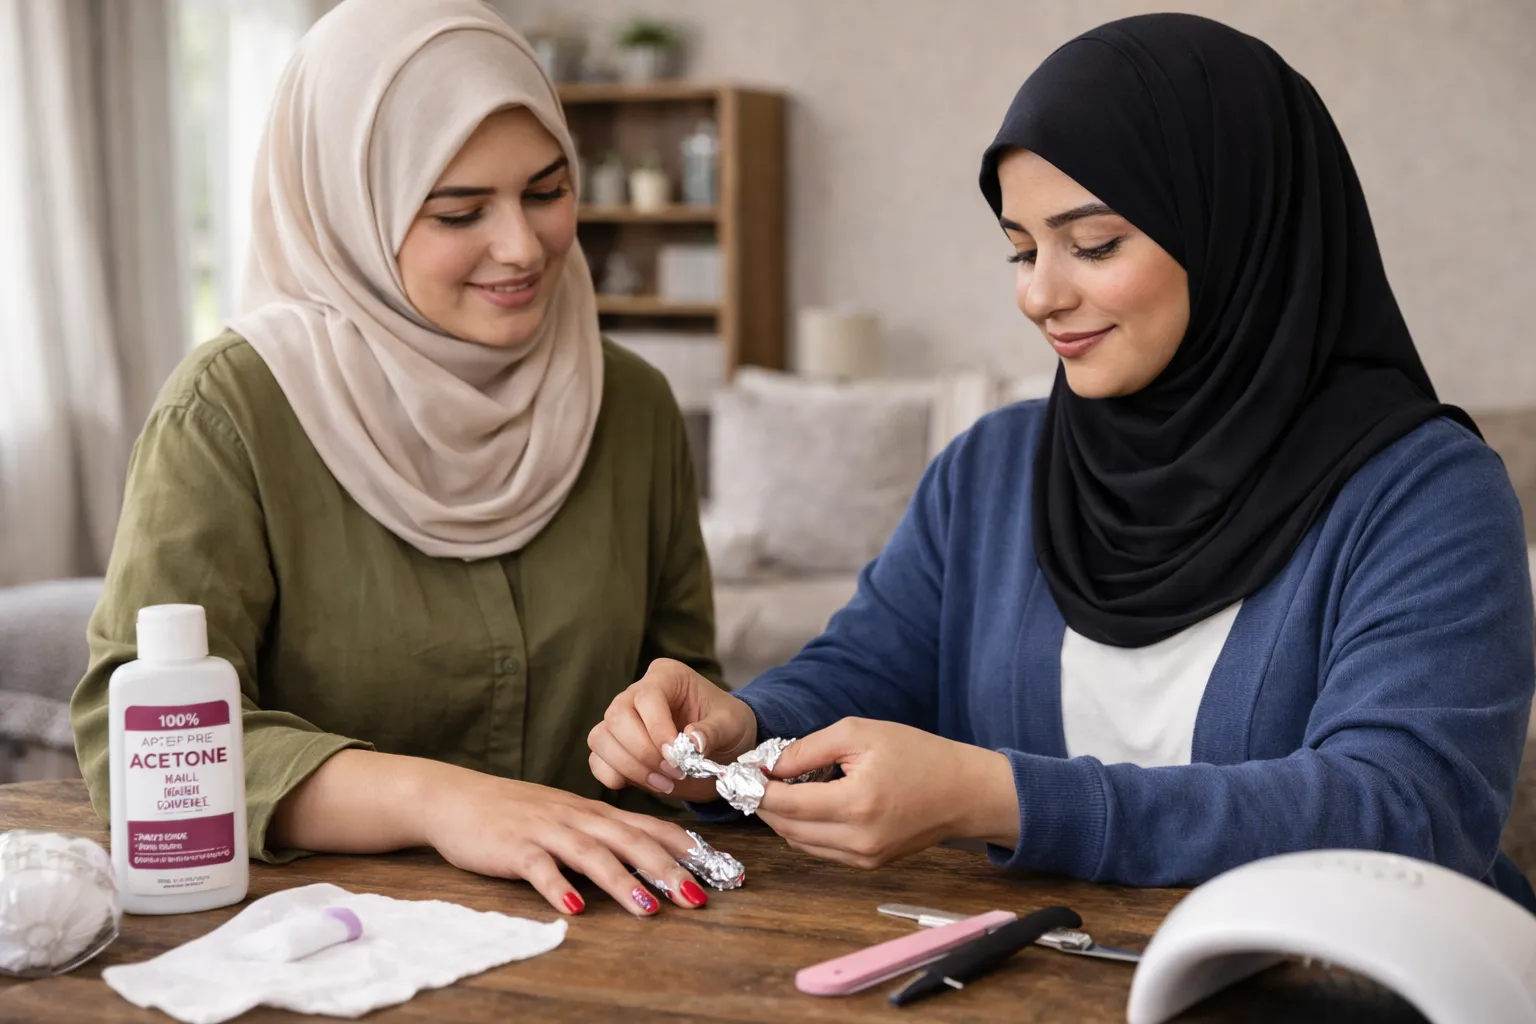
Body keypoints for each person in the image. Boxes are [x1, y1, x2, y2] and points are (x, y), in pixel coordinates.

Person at [588, 13, 1536, 909]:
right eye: (1018, 250)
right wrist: (743, 727)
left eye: (1092, 244)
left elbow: (1414, 816)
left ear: (1236, 231)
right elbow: (866, 666)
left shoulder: (1425, 496)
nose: (1040, 296)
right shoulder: (991, 472)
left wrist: (1003, 798)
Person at [71, 0, 721, 919]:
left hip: (609, 936)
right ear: (347, 211)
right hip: (320, 942)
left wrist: (678, 731)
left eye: (546, 191)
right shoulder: (234, 411)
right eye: (459, 210)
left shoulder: (635, 406)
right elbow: (128, 743)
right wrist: (444, 800)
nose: (522, 246)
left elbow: (690, 674)